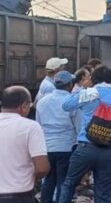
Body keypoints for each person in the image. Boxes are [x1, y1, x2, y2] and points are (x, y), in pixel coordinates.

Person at [58, 65, 111, 203]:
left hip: (85, 148)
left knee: (69, 184)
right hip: (109, 151)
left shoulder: (88, 94)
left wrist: (81, 90)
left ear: (93, 79)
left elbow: (66, 105)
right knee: (103, 194)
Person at [36, 71, 81, 203]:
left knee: (49, 180)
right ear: (70, 85)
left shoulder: (42, 102)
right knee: (63, 181)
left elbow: (39, 125)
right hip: (66, 147)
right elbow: (78, 126)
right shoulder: (72, 102)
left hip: (47, 147)